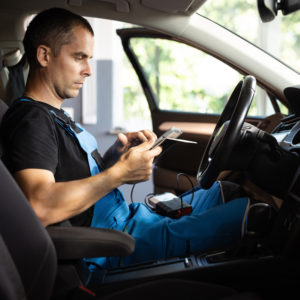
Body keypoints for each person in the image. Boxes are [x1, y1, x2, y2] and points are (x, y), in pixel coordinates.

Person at [0, 7, 250, 270]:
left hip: (130, 219)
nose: (88, 70)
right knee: (250, 214)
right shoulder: (32, 119)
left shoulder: (53, 114)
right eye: (79, 57)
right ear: (44, 55)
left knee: (225, 191)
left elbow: (69, 174)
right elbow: (40, 205)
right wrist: (120, 173)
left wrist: (113, 158)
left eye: (89, 59)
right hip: (109, 242)